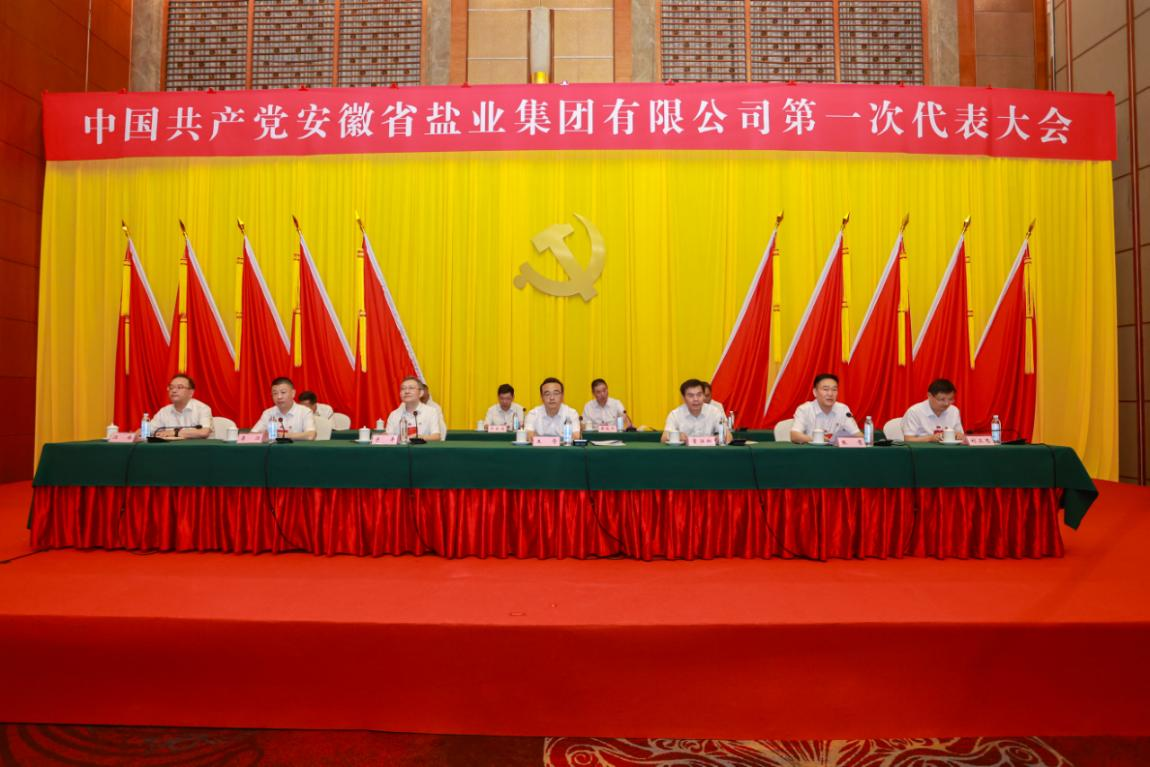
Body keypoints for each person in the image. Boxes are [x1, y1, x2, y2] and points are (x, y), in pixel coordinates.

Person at [790, 373, 862, 444]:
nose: (830, 394)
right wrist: (817, 439)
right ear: (815, 392)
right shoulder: (804, 409)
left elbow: (858, 435)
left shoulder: (843, 409)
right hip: (812, 450)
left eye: (834, 389)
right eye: (825, 389)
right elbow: (795, 436)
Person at [662, 378, 732, 443]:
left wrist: (722, 437)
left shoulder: (714, 412)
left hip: (708, 451)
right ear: (683, 398)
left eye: (699, 395)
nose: (696, 399)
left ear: (704, 396)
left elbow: (728, 436)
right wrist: (677, 436)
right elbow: (663, 438)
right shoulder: (675, 414)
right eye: (691, 395)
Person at [148, 374, 212, 439]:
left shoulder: (202, 409)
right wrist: (142, 433)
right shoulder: (164, 411)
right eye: (171, 387)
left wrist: (175, 433)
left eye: (179, 387)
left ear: (191, 392)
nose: (174, 391)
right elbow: (148, 431)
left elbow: (204, 432)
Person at [902, 378, 966, 442]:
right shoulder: (914, 411)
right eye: (942, 399)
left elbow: (960, 434)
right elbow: (908, 439)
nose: (946, 404)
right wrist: (930, 438)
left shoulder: (954, 411)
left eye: (950, 399)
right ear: (929, 395)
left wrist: (959, 435)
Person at [252, 377, 317, 440]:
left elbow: (311, 435)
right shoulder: (268, 413)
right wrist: (263, 436)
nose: (279, 397)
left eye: (283, 392)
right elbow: (252, 435)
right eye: (275, 393)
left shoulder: (305, 411)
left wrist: (281, 435)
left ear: (293, 393)